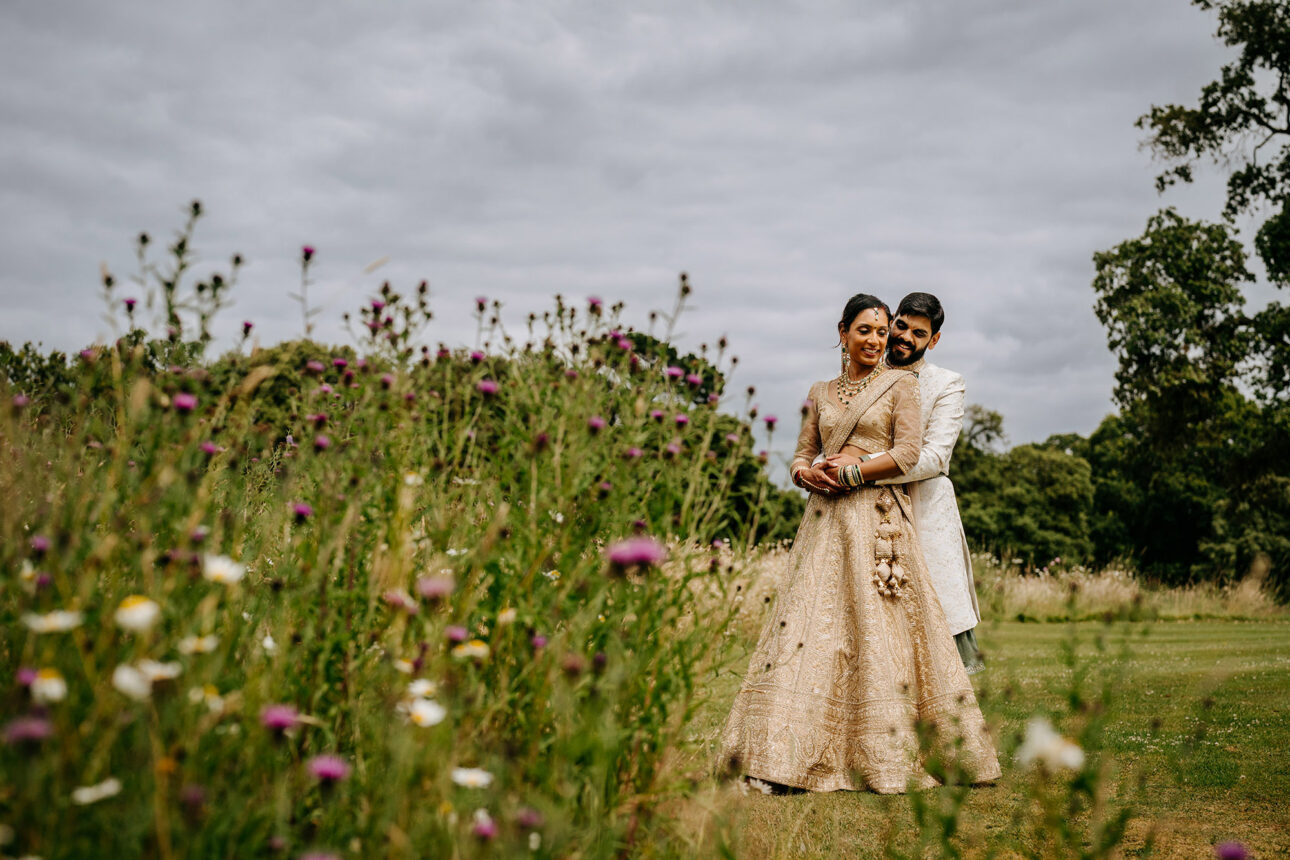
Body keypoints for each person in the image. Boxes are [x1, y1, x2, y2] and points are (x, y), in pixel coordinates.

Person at [719, 294, 1000, 794]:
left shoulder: (911, 385)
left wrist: (849, 471)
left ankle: (896, 749)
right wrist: (808, 473)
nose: (884, 339)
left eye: (887, 331)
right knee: (813, 631)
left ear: (932, 339)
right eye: (872, 330)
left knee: (885, 635)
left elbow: (920, 454)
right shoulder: (821, 390)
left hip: (886, 522)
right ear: (843, 331)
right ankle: (782, 757)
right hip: (825, 522)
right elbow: (803, 453)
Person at [866, 292, 985, 673]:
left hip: (924, 510)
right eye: (901, 326)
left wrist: (861, 471)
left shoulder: (947, 384)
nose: (905, 338)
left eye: (919, 333)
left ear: (933, 340)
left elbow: (934, 457)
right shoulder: (864, 374)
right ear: (892, 320)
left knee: (936, 618)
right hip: (863, 513)